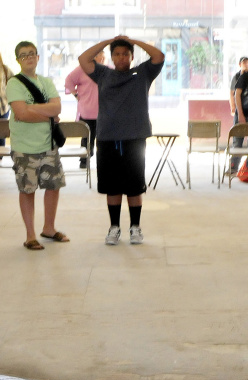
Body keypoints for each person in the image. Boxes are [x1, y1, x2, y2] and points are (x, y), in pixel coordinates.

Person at [79, 36, 164, 245]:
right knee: (112, 186)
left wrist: (132, 40)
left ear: (132, 56)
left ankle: (135, 227)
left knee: (135, 186)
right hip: (108, 137)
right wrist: (110, 40)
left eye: (126, 53)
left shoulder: (143, 72)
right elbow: (84, 58)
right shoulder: (103, 74)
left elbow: (159, 56)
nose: (121, 57)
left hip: (135, 138)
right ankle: (114, 227)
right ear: (111, 57)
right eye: (117, 53)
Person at [6, 41, 68, 251]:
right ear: (18, 60)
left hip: (48, 145)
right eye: (24, 55)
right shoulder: (14, 83)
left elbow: (57, 106)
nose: (29, 57)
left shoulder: (46, 82)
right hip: (25, 147)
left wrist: (34, 109)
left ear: (38, 57)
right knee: (28, 189)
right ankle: (30, 235)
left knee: (53, 187)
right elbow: (21, 114)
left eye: (32, 53)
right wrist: (48, 114)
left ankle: (49, 228)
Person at [65, 49, 105, 169]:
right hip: (86, 110)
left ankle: (103, 161)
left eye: (103, 57)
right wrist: (76, 95)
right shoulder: (82, 69)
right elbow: (69, 81)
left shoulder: (106, 69)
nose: (102, 59)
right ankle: (84, 161)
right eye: (99, 56)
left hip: (104, 111)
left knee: (103, 139)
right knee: (87, 138)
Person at [229, 56, 248, 147]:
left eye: (247, 62)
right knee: (237, 137)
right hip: (239, 109)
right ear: (240, 64)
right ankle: (234, 160)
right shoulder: (236, 77)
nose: (246, 64)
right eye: (244, 62)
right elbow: (231, 93)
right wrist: (233, 106)